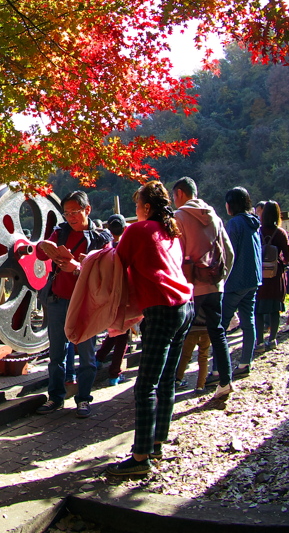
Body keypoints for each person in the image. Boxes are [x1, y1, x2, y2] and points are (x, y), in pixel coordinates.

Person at [105, 181, 193, 477]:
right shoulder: (171, 231)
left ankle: (140, 457)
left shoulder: (137, 230)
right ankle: (157, 442)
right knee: (166, 378)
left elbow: (114, 264)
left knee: (145, 385)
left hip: (161, 309)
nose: (135, 210)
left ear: (145, 207)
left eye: (136, 205)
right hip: (185, 307)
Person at [33, 191, 112, 418]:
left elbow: (106, 273)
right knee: (56, 354)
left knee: (87, 354)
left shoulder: (101, 239)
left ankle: (84, 399)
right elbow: (41, 255)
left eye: (74, 212)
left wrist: (77, 267)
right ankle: (55, 397)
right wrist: (44, 247)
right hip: (58, 300)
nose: (70, 217)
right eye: (66, 213)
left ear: (87, 210)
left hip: (86, 302)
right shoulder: (61, 231)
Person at [172, 177, 235, 399]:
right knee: (218, 332)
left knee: (179, 334)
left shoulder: (178, 217)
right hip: (214, 284)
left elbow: (175, 254)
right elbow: (229, 251)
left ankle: (172, 383)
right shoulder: (214, 216)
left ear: (180, 193)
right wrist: (221, 279)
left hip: (189, 288)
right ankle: (225, 381)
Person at [218, 186, 262, 380]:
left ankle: (218, 369)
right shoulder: (254, 222)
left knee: (222, 325)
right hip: (253, 279)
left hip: (235, 281)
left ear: (231, 205)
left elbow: (228, 253)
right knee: (248, 321)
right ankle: (246, 362)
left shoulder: (234, 224)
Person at [95, 215, 132, 385]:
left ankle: (98, 359)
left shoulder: (105, 248)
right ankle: (114, 374)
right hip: (126, 296)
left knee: (114, 331)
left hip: (109, 295)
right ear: (124, 228)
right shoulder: (127, 246)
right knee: (122, 335)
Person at [255, 201, 289, 350]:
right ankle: (273, 339)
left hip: (259, 276)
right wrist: (282, 264)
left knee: (258, 309)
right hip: (276, 276)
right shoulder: (280, 233)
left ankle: (259, 341)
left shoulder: (257, 231)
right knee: (274, 309)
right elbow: (288, 255)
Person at [175, 300, 210, 390]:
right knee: (203, 357)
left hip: (192, 330)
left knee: (185, 356)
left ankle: (178, 380)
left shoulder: (192, 295)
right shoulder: (210, 292)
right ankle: (200, 385)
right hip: (206, 329)